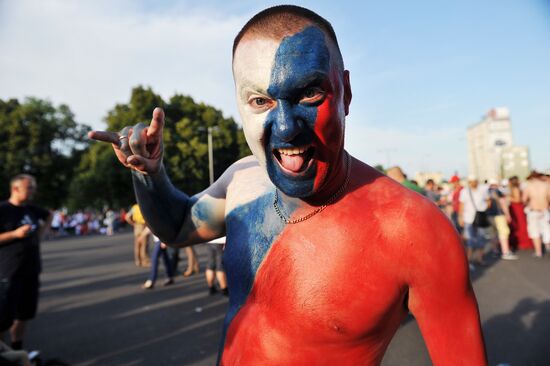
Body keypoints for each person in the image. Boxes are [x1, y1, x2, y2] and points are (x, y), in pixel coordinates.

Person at [89, 5, 487, 365]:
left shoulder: (414, 229)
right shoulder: (243, 179)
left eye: (309, 93)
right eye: (260, 101)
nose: (285, 128)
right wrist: (149, 173)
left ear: (345, 92)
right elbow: (177, 227)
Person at [0, 174, 51, 351]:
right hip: (8, 272)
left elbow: (49, 215)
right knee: (4, 318)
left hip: (31, 269)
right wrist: (15, 234)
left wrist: (40, 233)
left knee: (24, 314)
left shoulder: (32, 209)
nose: (33, 191)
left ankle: (16, 349)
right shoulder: (3, 210)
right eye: (30, 187)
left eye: (34, 187)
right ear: (15, 188)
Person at [459, 176, 490, 268]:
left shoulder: (483, 190)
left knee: (481, 238)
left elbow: (488, 202)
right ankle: (469, 260)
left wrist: (483, 210)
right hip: (468, 218)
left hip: (479, 218)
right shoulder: (465, 192)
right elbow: (462, 205)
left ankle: (479, 258)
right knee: (470, 240)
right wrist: (461, 217)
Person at [487, 179, 517, 260]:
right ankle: (505, 252)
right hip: (499, 215)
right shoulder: (498, 191)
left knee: (493, 234)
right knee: (503, 233)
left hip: (489, 216)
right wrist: (507, 215)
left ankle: (495, 250)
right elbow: (503, 203)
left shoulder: (486, 191)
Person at [522, 171, 550, 258]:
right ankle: (548, 247)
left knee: (535, 231)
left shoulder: (529, 186)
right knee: (546, 230)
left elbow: (524, 199)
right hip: (544, 210)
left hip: (533, 211)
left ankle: (538, 252)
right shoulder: (546, 185)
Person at [508, 176, 532, 250]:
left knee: (520, 225)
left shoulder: (515, 189)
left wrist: (508, 198)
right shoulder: (516, 189)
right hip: (516, 208)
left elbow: (518, 199)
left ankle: (523, 242)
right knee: (519, 224)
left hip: (517, 208)